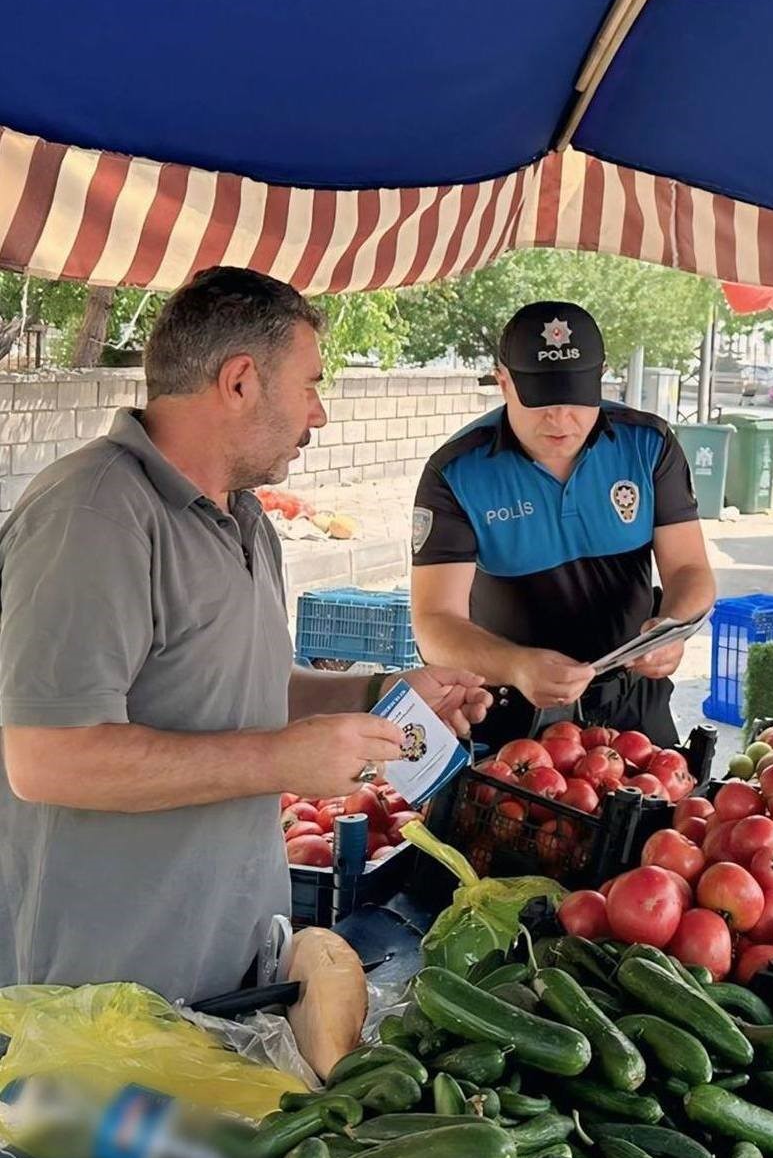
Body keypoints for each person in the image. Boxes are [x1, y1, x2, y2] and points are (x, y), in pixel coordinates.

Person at [0, 267, 491, 1003]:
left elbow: (240, 683)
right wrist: (279, 759)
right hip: (101, 993)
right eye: (310, 385)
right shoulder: (94, 514)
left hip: (224, 958)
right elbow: (47, 759)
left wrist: (379, 693)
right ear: (239, 381)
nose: (318, 414)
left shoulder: (244, 516)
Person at [410, 301, 715, 752]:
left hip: (633, 708)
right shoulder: (457, 472)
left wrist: (674, 626)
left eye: (574, 396)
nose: (559, 418)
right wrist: (515, 665)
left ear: (600, 377)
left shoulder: (648, 446)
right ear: (503, 382)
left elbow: (690, 569)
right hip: (509, 716)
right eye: (540, 399)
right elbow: (435, 623)